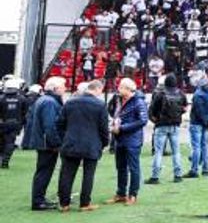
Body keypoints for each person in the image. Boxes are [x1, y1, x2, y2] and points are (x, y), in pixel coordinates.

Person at [56, 80, 110, 212]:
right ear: (97, 89)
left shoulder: (70, 102)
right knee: (88, 175)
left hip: (71, 142)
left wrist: (65, 137)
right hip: (92, 144)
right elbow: (104, 128)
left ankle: (64, 204)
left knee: (67, 174)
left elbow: (59, 123)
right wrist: (104, 142)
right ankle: (85, 203)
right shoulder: (100, 105)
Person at [23, 77, 67, 210]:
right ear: (55, 88)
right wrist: (56, 143)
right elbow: (50, 126)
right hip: (47, 143)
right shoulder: (49, 102)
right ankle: (38, 201)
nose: (65, 88)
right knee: (44, 172)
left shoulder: (45, 100)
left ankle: (39, 199)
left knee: (43, 171)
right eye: (63, 86)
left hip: (43, 141)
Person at [106, 77, 146, 205]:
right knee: (121, 167)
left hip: (132, 140)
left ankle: (133, 194)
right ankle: (121, 193)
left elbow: (142, 120)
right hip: (120, 139)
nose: (118, 89)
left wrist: (122, 128)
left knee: (134, 168)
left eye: (121, 87)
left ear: (128, 89)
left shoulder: (139, 102)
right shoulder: (118, 99)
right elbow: (114, 112)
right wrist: (114, 122)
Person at [147, 73, 186, 184]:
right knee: (176, 151)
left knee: (158, 151)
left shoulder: (160, 94)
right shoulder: (180, 94)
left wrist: (155, 120)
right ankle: (178, 174)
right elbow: (184, 107)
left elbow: (152, 109)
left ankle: (155, 176)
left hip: (161, 124)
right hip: (175, 125)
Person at [187, 78, 208, 178]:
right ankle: (205, 169)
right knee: (204, 146)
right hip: (206, 123)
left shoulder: (198, 95)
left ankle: (194, 169)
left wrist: (204, 120)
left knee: (196, 147)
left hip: (197, 123)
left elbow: (198, 111)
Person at [1, 78, 28, 168]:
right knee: (10, 142)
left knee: (2, 142)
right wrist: (21, 123)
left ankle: (1, 158)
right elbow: (25, 112)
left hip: (2, 123)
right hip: (15, 124)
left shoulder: (1, 98)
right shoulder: (22, 99)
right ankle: (5, 160)